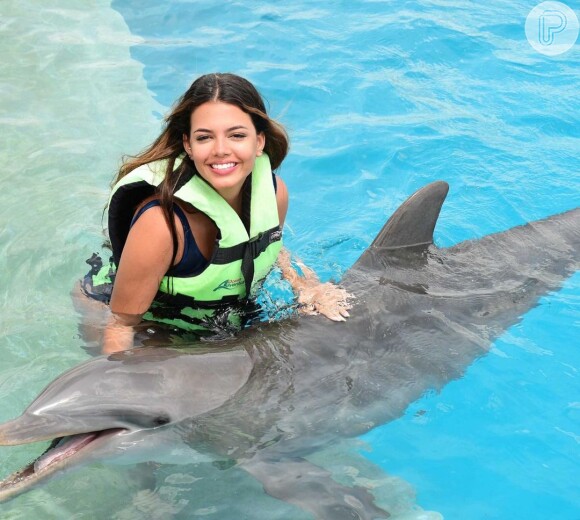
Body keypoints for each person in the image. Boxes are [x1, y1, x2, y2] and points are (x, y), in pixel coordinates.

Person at [80, 73, 351, 353]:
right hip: (148, 325)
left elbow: (267, 247)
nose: (221, 150)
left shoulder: (274, 193)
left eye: (236, 135)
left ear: (259, 142)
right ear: (188, 145)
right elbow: (121, 325)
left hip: (220, 317)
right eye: (205, 137)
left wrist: (304, 285)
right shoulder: (162, 224)